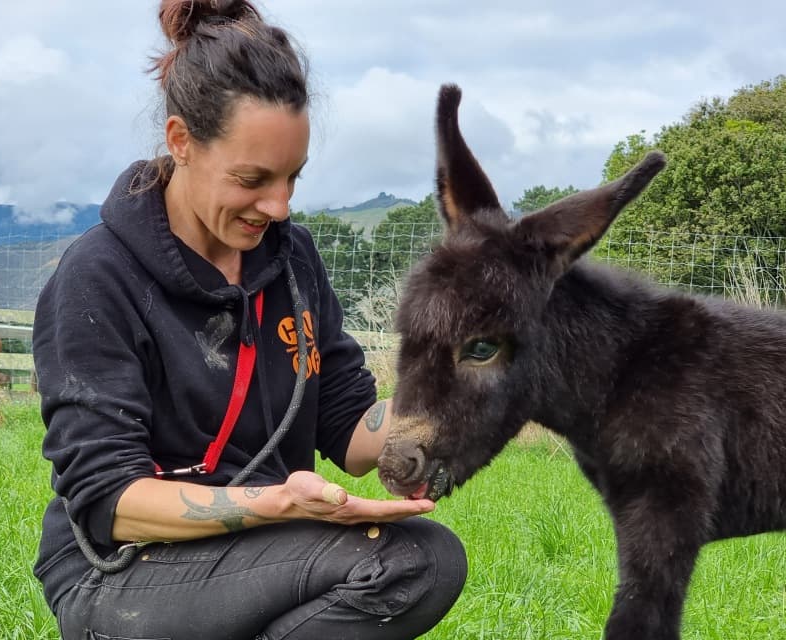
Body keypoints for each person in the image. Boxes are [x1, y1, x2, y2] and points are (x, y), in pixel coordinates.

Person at [31, 1, 467, 638]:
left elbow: (347, 429)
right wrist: (280, 502)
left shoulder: (293, 262)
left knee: (425, 558)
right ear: (181, 141)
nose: (280, 205)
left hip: (258, 549)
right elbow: (109, 501)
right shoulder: (98, 277)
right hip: (120, 566)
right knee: (406, 559)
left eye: (293, 176)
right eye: (253, 178)